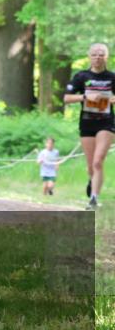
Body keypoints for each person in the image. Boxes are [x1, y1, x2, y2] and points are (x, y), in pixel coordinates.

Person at [64, 43, 114, 210]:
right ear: (89, 56)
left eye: (101, 54)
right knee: (91, 164)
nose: (98, 57)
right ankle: (92, 181)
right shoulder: (81, 76)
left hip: (107, 123)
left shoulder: (112, 77)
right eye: (94, 54)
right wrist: (85, 96)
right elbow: (67, 98)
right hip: (87, 123)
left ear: (106, 57)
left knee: (98, 161)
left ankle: (94, 198)